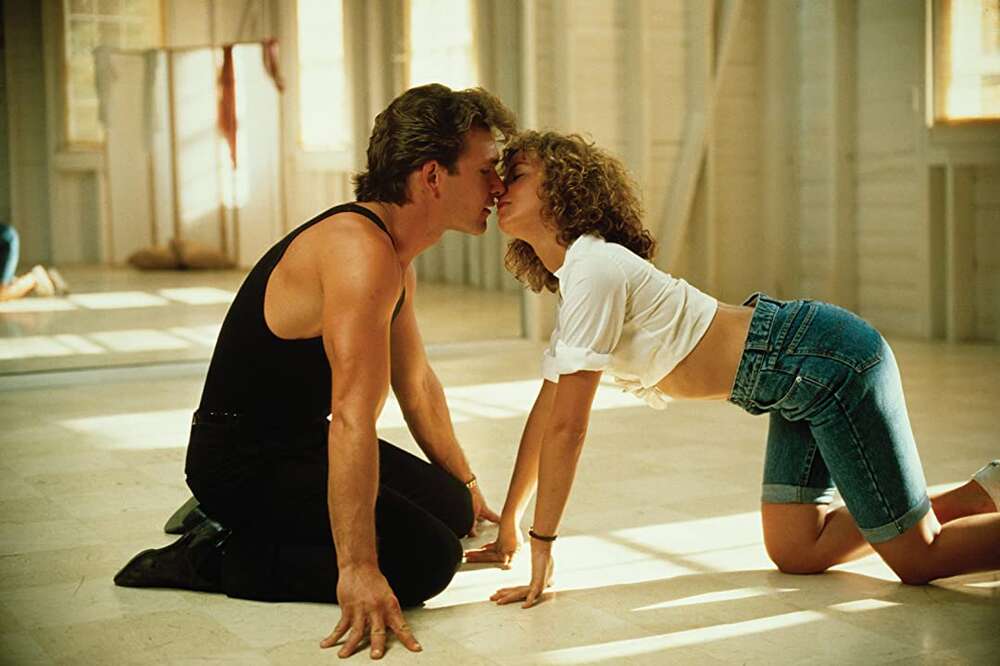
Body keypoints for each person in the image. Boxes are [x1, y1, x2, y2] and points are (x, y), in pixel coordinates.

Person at [465, 130, 1000, 607]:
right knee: (796, 549)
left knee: (918, 558)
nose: (500, 186)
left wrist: (543, 545)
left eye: (518, 174)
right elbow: (546, 412)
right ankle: (983, 493)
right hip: (795, 385)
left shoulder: (596, 268)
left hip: (829, 363)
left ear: (564, 188)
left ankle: (912, 522)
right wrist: (510, 526)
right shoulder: (578, 278)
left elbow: (569, 428)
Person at [114, 83, 516, 659]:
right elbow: (352, 418)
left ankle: (241, 521)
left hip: (297, 443)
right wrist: (357, 568)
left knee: (452, 509)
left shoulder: (393, 252)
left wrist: (469, 487)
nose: (498, 186)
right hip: (239, 463)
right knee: (427, 563)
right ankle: (215, 553)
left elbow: (417, 385)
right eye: (485, 170)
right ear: (432, 176)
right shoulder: (359, 251)